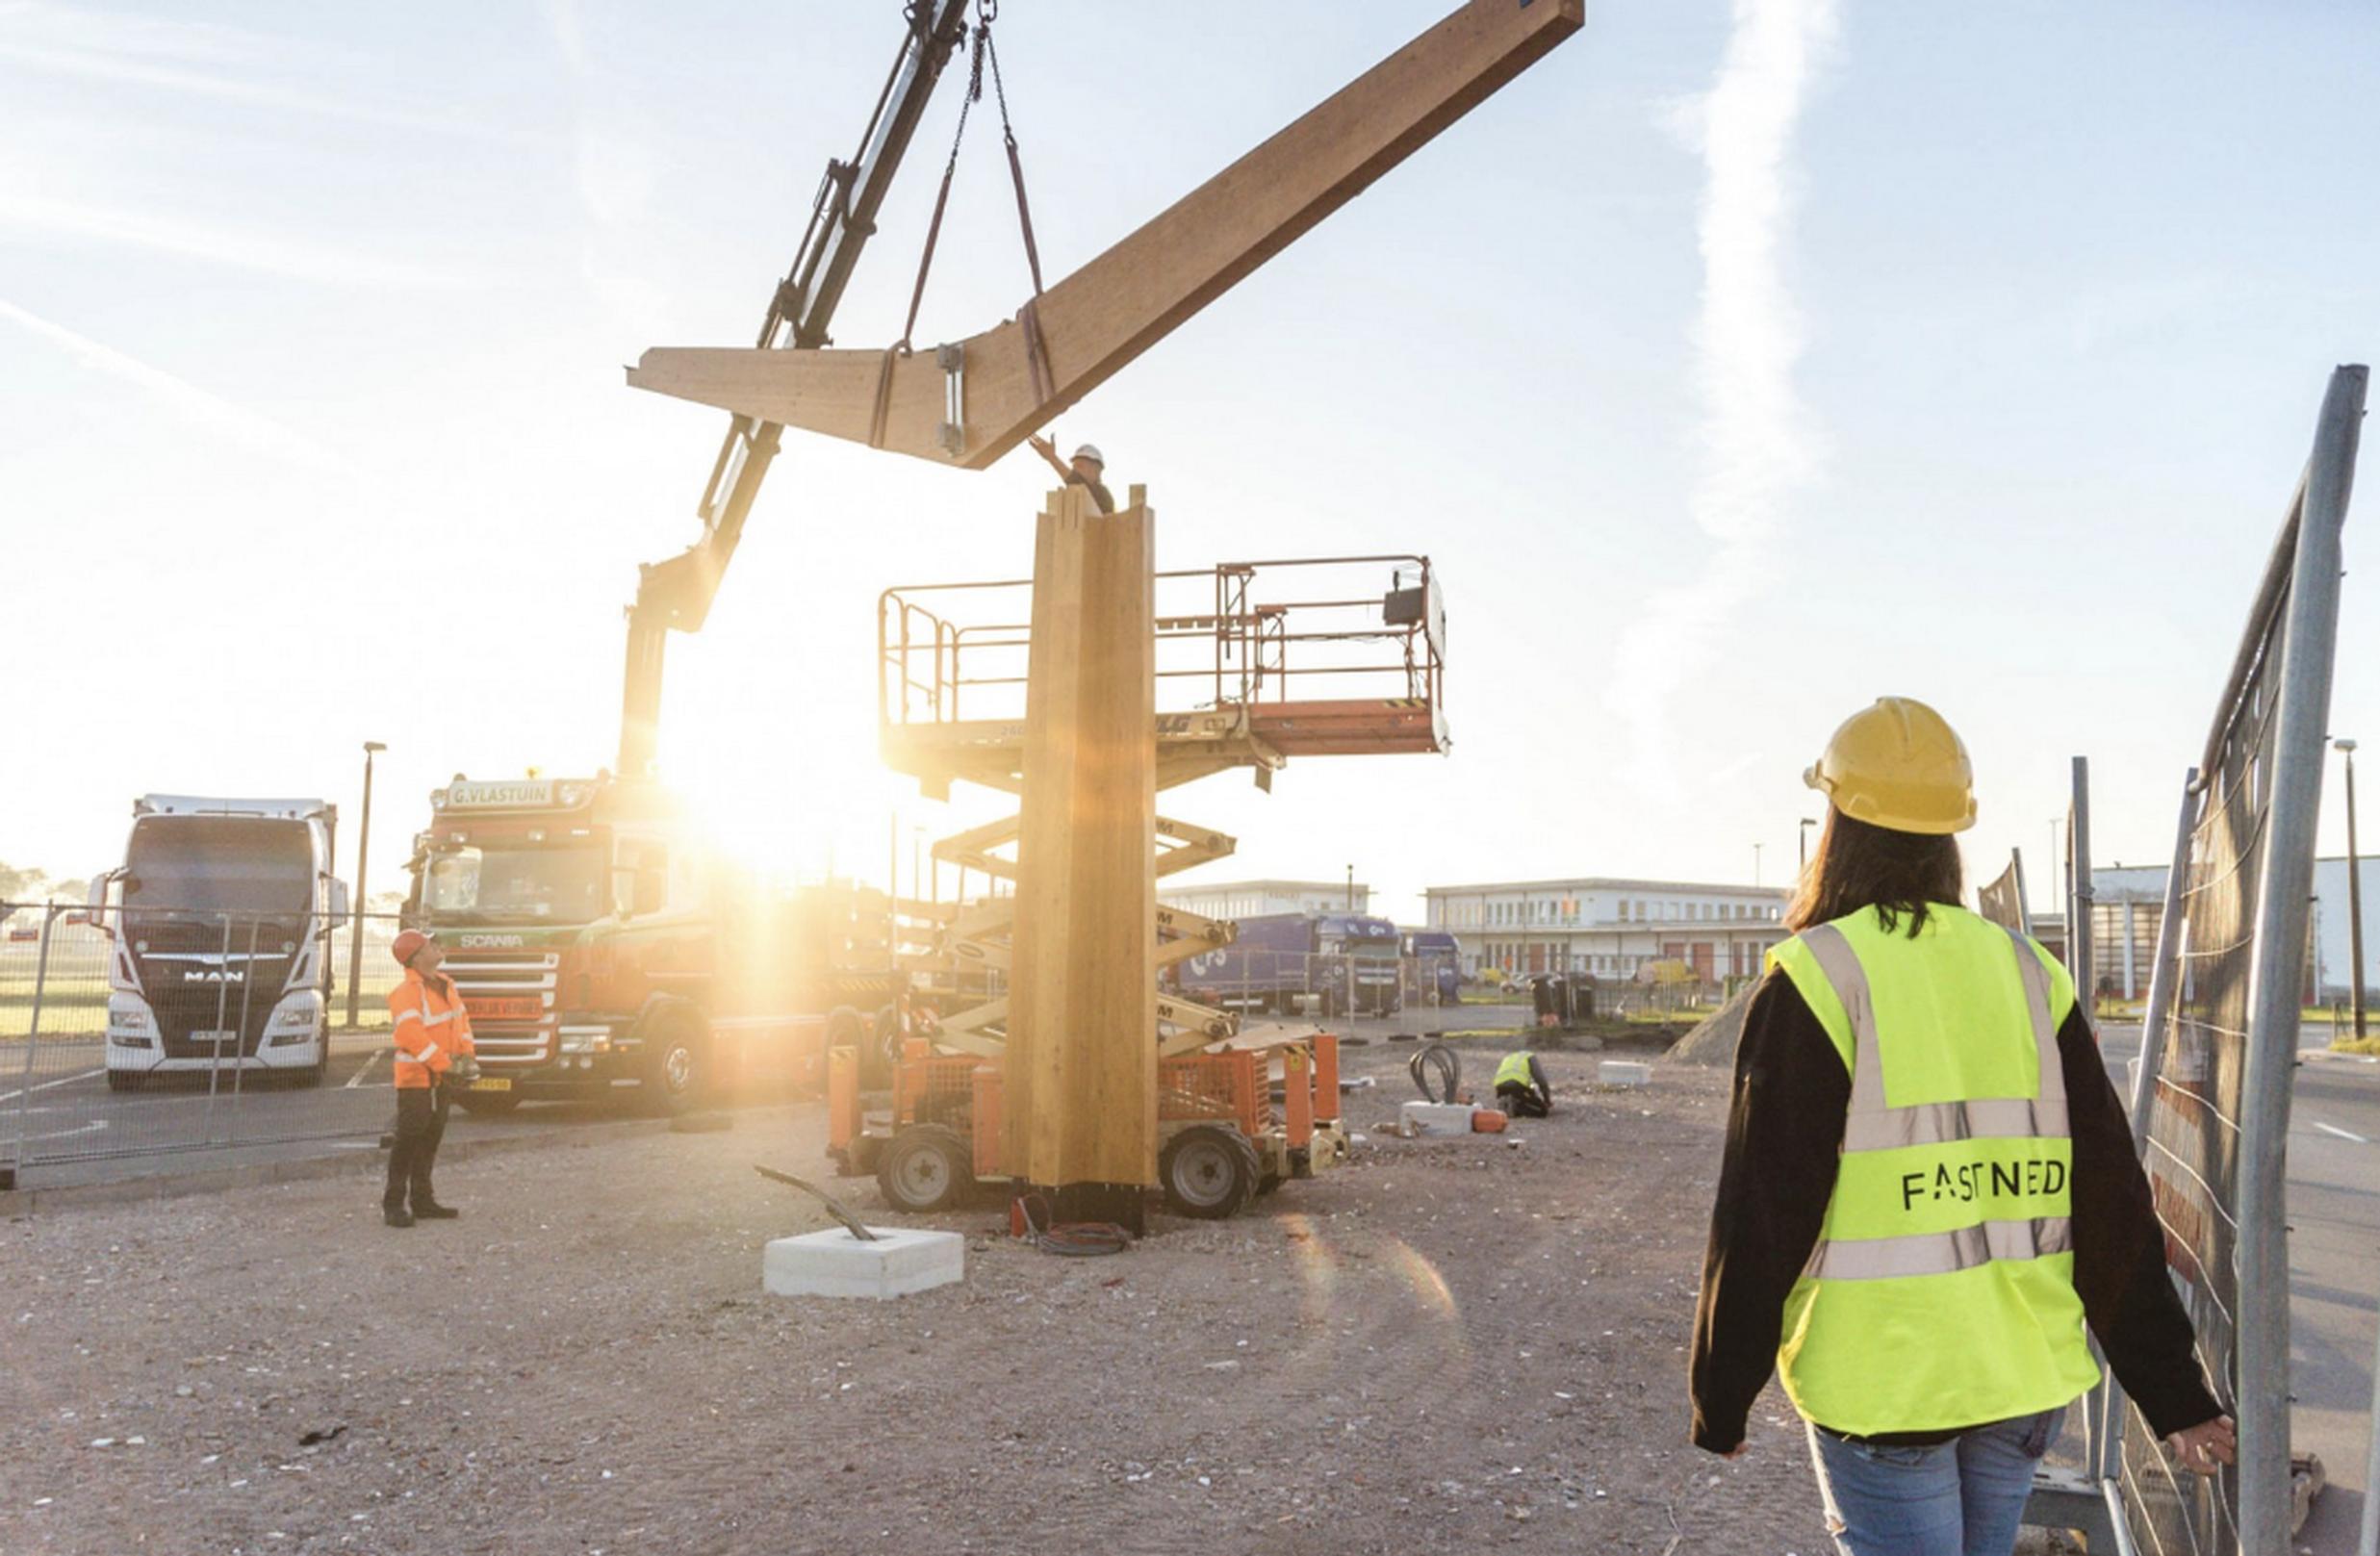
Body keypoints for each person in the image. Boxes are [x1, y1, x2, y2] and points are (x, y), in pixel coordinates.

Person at [1689, 697, 2233, 1556]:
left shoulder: (1820, 976)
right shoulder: (2026, 971)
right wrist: (2174, 1392)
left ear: (1835, 825)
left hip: (1886, 1382)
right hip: (2017, 1376)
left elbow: (1763, 1208)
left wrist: (1724, 1389)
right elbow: (2109, 1199)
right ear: (1951, 833)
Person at [384, 929, 477, 1228]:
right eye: (430, 944)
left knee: (431, 1138)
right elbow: (411, 1035)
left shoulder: (447, 986)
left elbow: (461, 1025)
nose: (438, 947)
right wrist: (446, 1064)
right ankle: (393, 1204)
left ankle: (423, 1201)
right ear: (417, 956)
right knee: (409, 1139)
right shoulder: (406, 993)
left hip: (442, 1076)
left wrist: (467, 1058)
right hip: (416, 1078)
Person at [1026, 433, 1115, 514]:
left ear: (1096, 470)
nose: (1075, 471)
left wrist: (1052, 458)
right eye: (1074, 467)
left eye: (1080, 466)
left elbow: (1077, 481)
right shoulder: (1071, 500)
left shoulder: (1104, 497)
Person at [1492, 1049, 1551, 1117]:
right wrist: (1547, 1099)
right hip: (1516, 1085)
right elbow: (1541, 1080)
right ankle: (1516, 1107)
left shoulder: (1508, 1057)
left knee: (1525, 1094)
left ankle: (1506, 1105)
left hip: (1499, 1086)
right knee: (1542, 1110)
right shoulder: (1530, 1056)